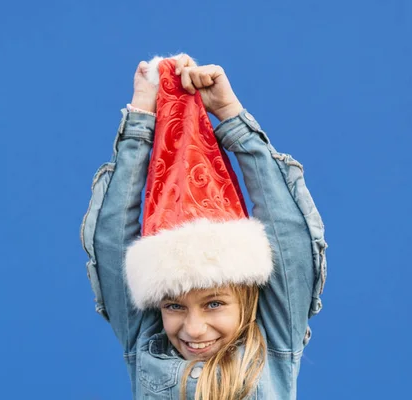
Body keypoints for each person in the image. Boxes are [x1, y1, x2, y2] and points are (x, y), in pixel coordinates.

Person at [81, 54, 327, 400]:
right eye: (174, 306)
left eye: (214, 303)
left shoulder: (273, 341)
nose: (193, 330)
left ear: (246, 297)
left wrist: (229, 113)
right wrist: (141, 120)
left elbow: (290, 234)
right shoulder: (147, 342)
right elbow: (110, 240)